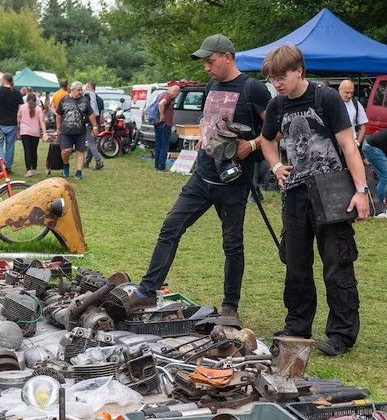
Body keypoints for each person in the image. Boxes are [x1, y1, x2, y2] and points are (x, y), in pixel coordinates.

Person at [127, 34, 270, 324]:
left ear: (228, 57)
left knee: (232, 244)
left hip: (234, 182)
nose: (206, 67)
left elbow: (274, 129)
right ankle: (148, 290)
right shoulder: (211, 86)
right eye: (205, 62)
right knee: (171, 227)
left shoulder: (253, 89)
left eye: (210, 61)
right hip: (202, 176)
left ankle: (230, 306)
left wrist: (252, 145)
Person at [259, 44, 370, 356]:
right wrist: (276, 166)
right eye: (272, 79)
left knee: (337, 264)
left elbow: (349, 146)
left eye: (282, 76)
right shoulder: (278, 105)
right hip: (295, 195)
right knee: (296, 265)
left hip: (333, 192)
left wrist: (361, 193)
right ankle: (297, 326)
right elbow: (267, 140)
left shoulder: (327, 97)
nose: (277, 83)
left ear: (299, 71)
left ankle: (341, 334)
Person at [340, 79, 386, 217]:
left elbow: (363, 126)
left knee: (355, 174)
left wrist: (358, 143)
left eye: (351, 93)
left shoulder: (355, 104)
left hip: (352, 145)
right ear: (339, 91)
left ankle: (362, 203)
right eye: (346, 92)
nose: (349, 95)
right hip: (337, 145)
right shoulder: (334, 103)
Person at [53, 81, 98, 180]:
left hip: (80, 131)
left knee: (80, 151)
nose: (81, 92)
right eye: (79, 90)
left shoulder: (84, 100)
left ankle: (78, 172)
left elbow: (91, 114)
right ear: (72, 90)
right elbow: (59, 114)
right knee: (66, 150)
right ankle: (66, 165)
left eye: (82, 90)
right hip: (66, 131)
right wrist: (58, 128)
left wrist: (95, 127)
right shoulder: (64, 99)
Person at [0, 73, 24, 173]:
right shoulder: (17, 93)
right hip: (12, 124)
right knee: (10, 146)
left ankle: (1, 163)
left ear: (3, 80)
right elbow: (21, 109)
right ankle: (7, 166)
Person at [18, 92, 48, 177]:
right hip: (35, 132)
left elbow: (18, 118)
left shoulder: (22, 107)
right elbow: (42, 121)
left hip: (24, 131)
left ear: (26, 100)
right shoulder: (38, 109)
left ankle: (28, 170)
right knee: (34, 151)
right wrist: (45, 132)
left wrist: (20, 126)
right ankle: (34, 169)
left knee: (27, 150)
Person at [153, 85, 181, 172]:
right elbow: (161, 104)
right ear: (175, 92)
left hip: (157, 123)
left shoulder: (161, 94)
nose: (177, 95)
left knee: (158, 145)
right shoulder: (168, 96)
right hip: (164, 124)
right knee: (164, 146)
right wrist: (162, 115)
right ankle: (161, 168)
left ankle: (157, 165)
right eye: (177, 93)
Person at [83, 82, 105, 170]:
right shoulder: (100, 99)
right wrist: (100, 125)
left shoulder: (86, 98)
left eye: (86, 87)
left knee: (91, 143)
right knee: (92, 143)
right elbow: (102, 114)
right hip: (97, 124)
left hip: (89, 123)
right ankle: (87, 162)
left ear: (89, 87)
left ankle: (99, 161)